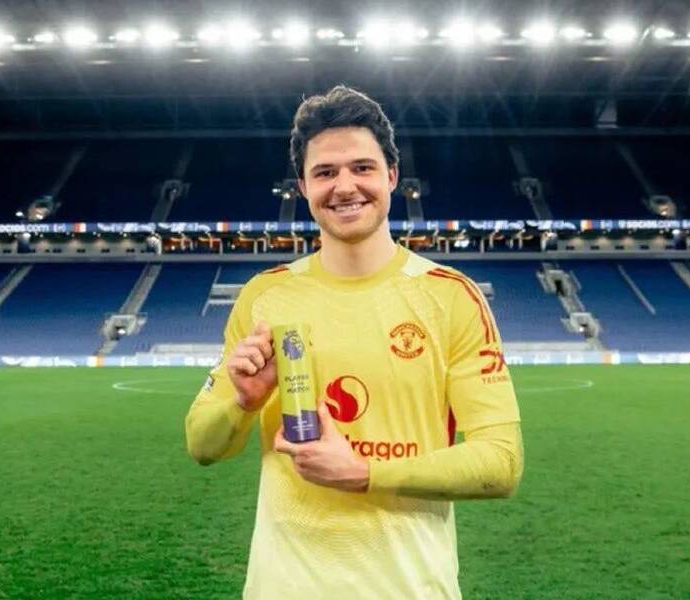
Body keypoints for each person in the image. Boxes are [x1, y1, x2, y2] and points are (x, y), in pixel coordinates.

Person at [185, 85, 523, 599]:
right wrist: (243, 402)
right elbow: (202, 445)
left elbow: (501, 463)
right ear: (303, 186)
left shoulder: (450, 296)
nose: (345, 186)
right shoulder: (265, 296)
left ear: (392, 175)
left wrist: (364, 472)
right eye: (325, 172)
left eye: (362, 168)